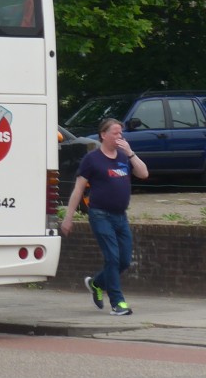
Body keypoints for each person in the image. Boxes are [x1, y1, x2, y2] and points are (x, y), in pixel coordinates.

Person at [60, 117, 148, 316]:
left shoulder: (124, 157)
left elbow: (143, 174)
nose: (119, 136)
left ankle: (96, 283)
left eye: (121, 133)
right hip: (100, 215)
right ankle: (118, 303)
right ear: (103, 135)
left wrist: (131, 152)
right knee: (112, 258)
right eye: (115, 133)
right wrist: (68, 216)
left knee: (125, 260)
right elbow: (78, 189)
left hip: (120, 216)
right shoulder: (92, 159)